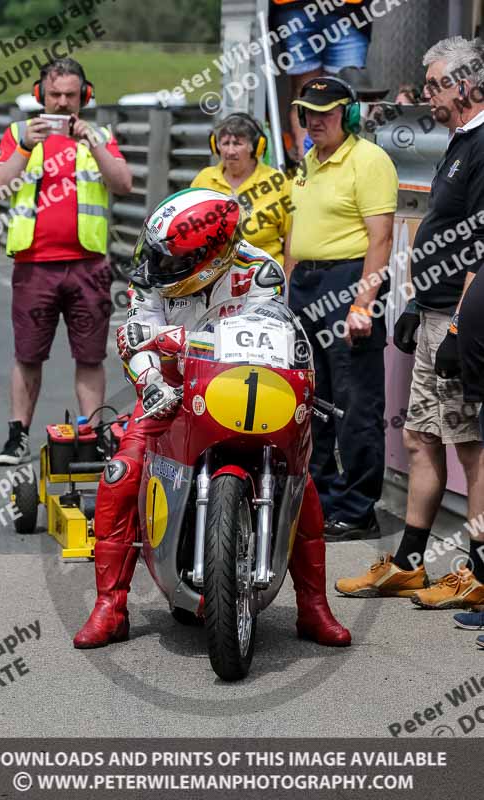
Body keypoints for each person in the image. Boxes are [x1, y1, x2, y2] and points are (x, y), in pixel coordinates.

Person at [73, 188, 351, 650]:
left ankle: (313, 608)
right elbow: (134, 337)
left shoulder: (260, 272)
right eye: (156, 257)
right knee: (120, 473)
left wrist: (169, 335)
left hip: (240, 385)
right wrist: (151, 385)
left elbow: (269, 334)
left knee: (300, 481)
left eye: (170, 262)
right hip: (168, 389)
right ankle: (111, 607)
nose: (156, 270)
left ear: (213, 255)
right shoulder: (151, 275)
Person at [336, 37, 484, 614]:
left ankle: (476, 569)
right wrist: (417, 307)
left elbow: (478, 247)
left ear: (466, 85)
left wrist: (455, 329)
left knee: (469, 446)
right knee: (420, 437)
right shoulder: (457, 142)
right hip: (434, 312)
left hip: (458, 319)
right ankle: (409, 561)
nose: (426, 96)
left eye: (434, 86)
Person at [0, 58, 133, 465]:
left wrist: (95, 143)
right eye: (54, 95)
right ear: (40, 95)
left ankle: (92, 433)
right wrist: (25, 148)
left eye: (71, 95)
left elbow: (123, 183)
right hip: (34, 264)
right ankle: (17, 436)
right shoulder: (20, 134)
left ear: (84, 97)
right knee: (28, 353)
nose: (62, 103)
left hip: (88, 266)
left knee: (90, 355)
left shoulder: (99, 135)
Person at [286, 76, 398, 541]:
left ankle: (357, 508)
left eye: (326, 113)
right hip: (307, 282)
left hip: (349, 280)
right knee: (314, 400)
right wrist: (285, 289)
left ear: (348, 116)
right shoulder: (307, 161)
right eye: (309, 113)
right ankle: (322, 499)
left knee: (355, 401)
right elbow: (297, 233)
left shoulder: (369, 161)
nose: (315, 121)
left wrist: (362, 303)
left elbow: (381, 238)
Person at [271, 0, 374, 158]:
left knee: (351, 95)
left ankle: (350, 167)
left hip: (349, 8)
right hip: (294, 7)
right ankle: (308, 169)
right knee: (306, 95)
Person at [191, 113, 292, 265]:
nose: (230, 151)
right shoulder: (204, 179)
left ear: (255, 147)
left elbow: (293, 237)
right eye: (225, 143)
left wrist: (288, 281)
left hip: (263, 278)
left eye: (237, 144)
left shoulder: (277, 183)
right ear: (216, 146)